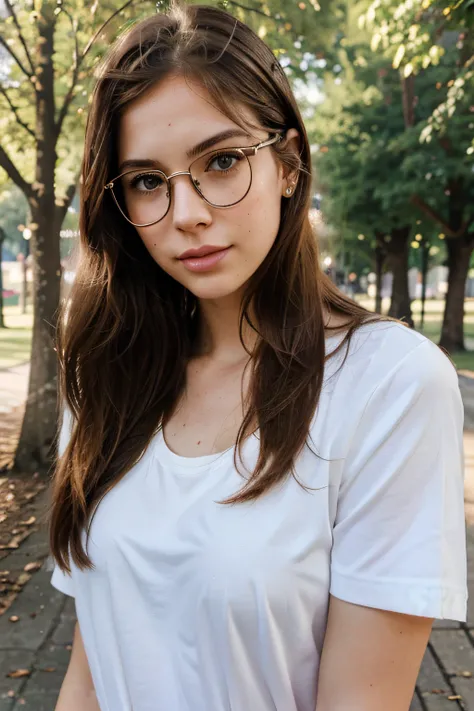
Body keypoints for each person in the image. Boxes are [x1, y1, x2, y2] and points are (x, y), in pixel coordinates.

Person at [49, 3, 467, 710]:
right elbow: (91, 671)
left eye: (221, 161)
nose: (187, 212)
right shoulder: (106, 377)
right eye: (148, 180)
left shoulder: (389, 385)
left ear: (288, 162)